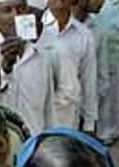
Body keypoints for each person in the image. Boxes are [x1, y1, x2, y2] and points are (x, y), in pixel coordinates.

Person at [0, 0, 59, 135]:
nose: (16, 15)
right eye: (7, 10)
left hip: (34, 146)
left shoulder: (42, 56)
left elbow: (49, 113)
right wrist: (5, 69)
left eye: (21, 9)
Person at [75, 0, 119, 145]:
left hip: (103, 71)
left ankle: (105, 131)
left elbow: (102, 76)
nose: (102, 3)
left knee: (107, 91)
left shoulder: (98, 27)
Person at [38, 0, 98, 133]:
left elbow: (89, 82)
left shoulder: (84, 35)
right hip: (38, 115)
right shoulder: (34, 31)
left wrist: (89, 124)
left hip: (69, 117)